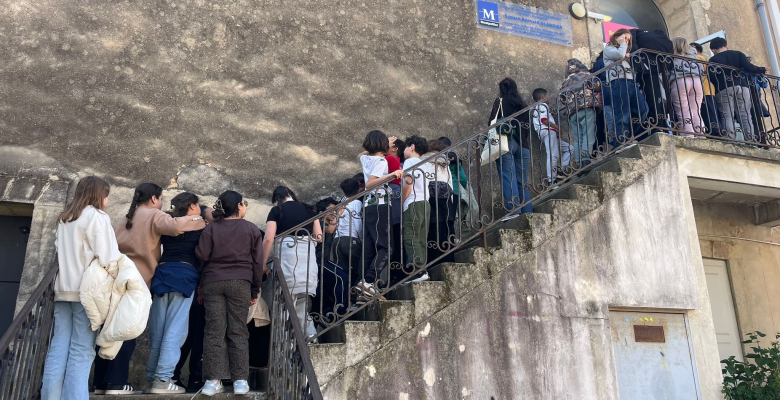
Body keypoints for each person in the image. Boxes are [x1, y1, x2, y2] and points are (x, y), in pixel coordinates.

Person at [94, 183, 205, 396]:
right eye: (161, 198)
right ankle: (127, 382)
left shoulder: (124, 220)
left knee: (110, 329)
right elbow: (175, 226)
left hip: (117, 278)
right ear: (154, 199)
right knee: (129, 330)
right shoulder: (154, 216)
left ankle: (102, 382)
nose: (162, 203)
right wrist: (199, 219)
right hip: (140, 279)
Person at [41, 177, 123, 400]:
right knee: (81, 351)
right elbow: (108, 256)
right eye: (106, 195)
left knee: (58, 348)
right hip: (87, 293)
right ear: (98, 195)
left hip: (62, 290)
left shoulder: (65, 218)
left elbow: (59, 251)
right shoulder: (97, 217)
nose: (107, 200)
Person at [196, 191, 264, 396]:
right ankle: (240, 381)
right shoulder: (251, 229)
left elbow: (202, 254)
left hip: (213, 281)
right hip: (240, 282)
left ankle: (212, 381)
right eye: (244, 203)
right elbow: (258, 263)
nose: (246, 206)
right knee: (238, 330)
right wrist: (255, 288)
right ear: (238, 206)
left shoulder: (211, 229)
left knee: (214, 330)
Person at [144, 193, 209, 394]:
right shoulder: (199, 225)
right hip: (184, 275)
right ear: (191, 206)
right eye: (198, 206)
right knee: (176, 331)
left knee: (158, 331)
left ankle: (151, 379)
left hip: (162, 273)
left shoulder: (167, 223)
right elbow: (204, 254)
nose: (199, 209)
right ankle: (163, 379)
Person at [262, 186, 320, 334]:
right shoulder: (309, 209)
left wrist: (262, 263)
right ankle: (312, 343)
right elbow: (319, 237)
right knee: (301, 310)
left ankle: (286, 352)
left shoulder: (276, 211)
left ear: (276, 199)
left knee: (284, 312)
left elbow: (268, 239)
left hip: (287, 266)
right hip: (307, 267)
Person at [356, 130, 403, 303]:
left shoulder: (365, 158)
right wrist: (391, 175)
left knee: (369, 249)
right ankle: (369, 281)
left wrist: (380, 144)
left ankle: (364, 290)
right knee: (387, 247)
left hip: (369, 206)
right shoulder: (381, 161)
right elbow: (369, 184)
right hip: (380, 204)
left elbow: (362, 153)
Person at [172, 207, 210, 393]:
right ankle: (193, 378)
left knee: (186, 338)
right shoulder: (202, 233)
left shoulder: (185, 233)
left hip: (192, 291)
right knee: (193, 339)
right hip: (197, 292)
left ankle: (174, 375)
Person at [488, 78, 533, 220]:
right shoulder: (523, 105)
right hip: (523, 146)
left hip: (506, 142)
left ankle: (513, 210)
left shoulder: (500, 102)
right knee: (522, 179)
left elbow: (491, 123)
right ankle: (527, 211)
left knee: (508, 175)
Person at [707, 37, 767, 142]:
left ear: (713, 50)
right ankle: (751, 140)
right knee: (745, 114)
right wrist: (762, 69)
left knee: (727, 114)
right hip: (742, 86)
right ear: (726, 46)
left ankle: (730, 140)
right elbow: (749, 67)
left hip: (724, 88)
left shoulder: (712, 60)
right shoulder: (738, 54)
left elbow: (711, 77)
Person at [604, 29, 649, 146]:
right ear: (617, 37)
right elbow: (619, 55)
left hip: (631, 83)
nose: (627, 42)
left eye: (628, 40)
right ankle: (620, 143)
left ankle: (628, 135)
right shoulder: (609, 49)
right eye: (625, 38)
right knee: (621, 113)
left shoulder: (624, 52)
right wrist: (623, 45)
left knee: (643, 109)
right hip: (618, 82)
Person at [327, 178, 363, 311]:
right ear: (359, 189)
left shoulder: (341, 204)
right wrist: (362, 239)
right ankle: (354, 300)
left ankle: (341, 305)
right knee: (359, 269)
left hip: (337, 241)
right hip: (351, 240)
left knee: (342, 275)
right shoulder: (357, 203)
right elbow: (358, 224)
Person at [630, 28, 673, 134]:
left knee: (652, 101)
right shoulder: (657, 39)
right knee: (656, 100)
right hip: (654, 69)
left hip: (647, 72)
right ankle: (662, 128)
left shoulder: (633, 35)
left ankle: (657, 128)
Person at [561, 58, 600, 165]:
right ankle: (585, 160)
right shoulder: (585, 75)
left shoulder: (565, 82)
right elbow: (597, 86)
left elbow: (562, 98)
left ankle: (578, 163)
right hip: (586, 107)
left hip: (572, 112)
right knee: (588, 134)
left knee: (578, 138)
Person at [532, 88, 574, 185]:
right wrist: (558, 128)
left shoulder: (536, 108)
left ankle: (561, 170)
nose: (548, 98)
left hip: (549, 133)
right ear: (543, 96)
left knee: (569, 149)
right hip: (548, 132)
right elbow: (544, 120)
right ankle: (552, 180)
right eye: (547, 96)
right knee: (553, 155)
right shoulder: (543, 105)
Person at [401, 136, 431, 271]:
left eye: (406, 147)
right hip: (425, 203)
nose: (403, 151)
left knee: (410, 236)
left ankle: (418, 271)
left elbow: (408, 182)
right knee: (420, 238)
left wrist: (401, 201)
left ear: (412, 147)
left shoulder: (410, 161)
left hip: (413, 202)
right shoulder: (425, 163)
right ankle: (421, 270)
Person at [425, 139, 456, 270]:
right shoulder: (445, 163)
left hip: (430, 200)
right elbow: (450, 184)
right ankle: (449, 262)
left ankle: (433, 265)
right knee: (447, 232)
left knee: (431, 232)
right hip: (446, 202)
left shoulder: (424, 162)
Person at [668, 37, 704, 137]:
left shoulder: (671, 56)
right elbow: (701, 69)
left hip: (679, 81)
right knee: (696, 111)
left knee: (683, 112)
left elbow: (666, 71)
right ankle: (700, 135)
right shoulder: (694, 56)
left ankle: (688, 136)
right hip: (696, 81)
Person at [691, 42, 722, 137]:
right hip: (707, 88)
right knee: (710, 110)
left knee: (709, 111)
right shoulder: (702, 59)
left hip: (705, 88)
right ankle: (714, 131)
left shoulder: (699, 58)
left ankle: (715, 131)